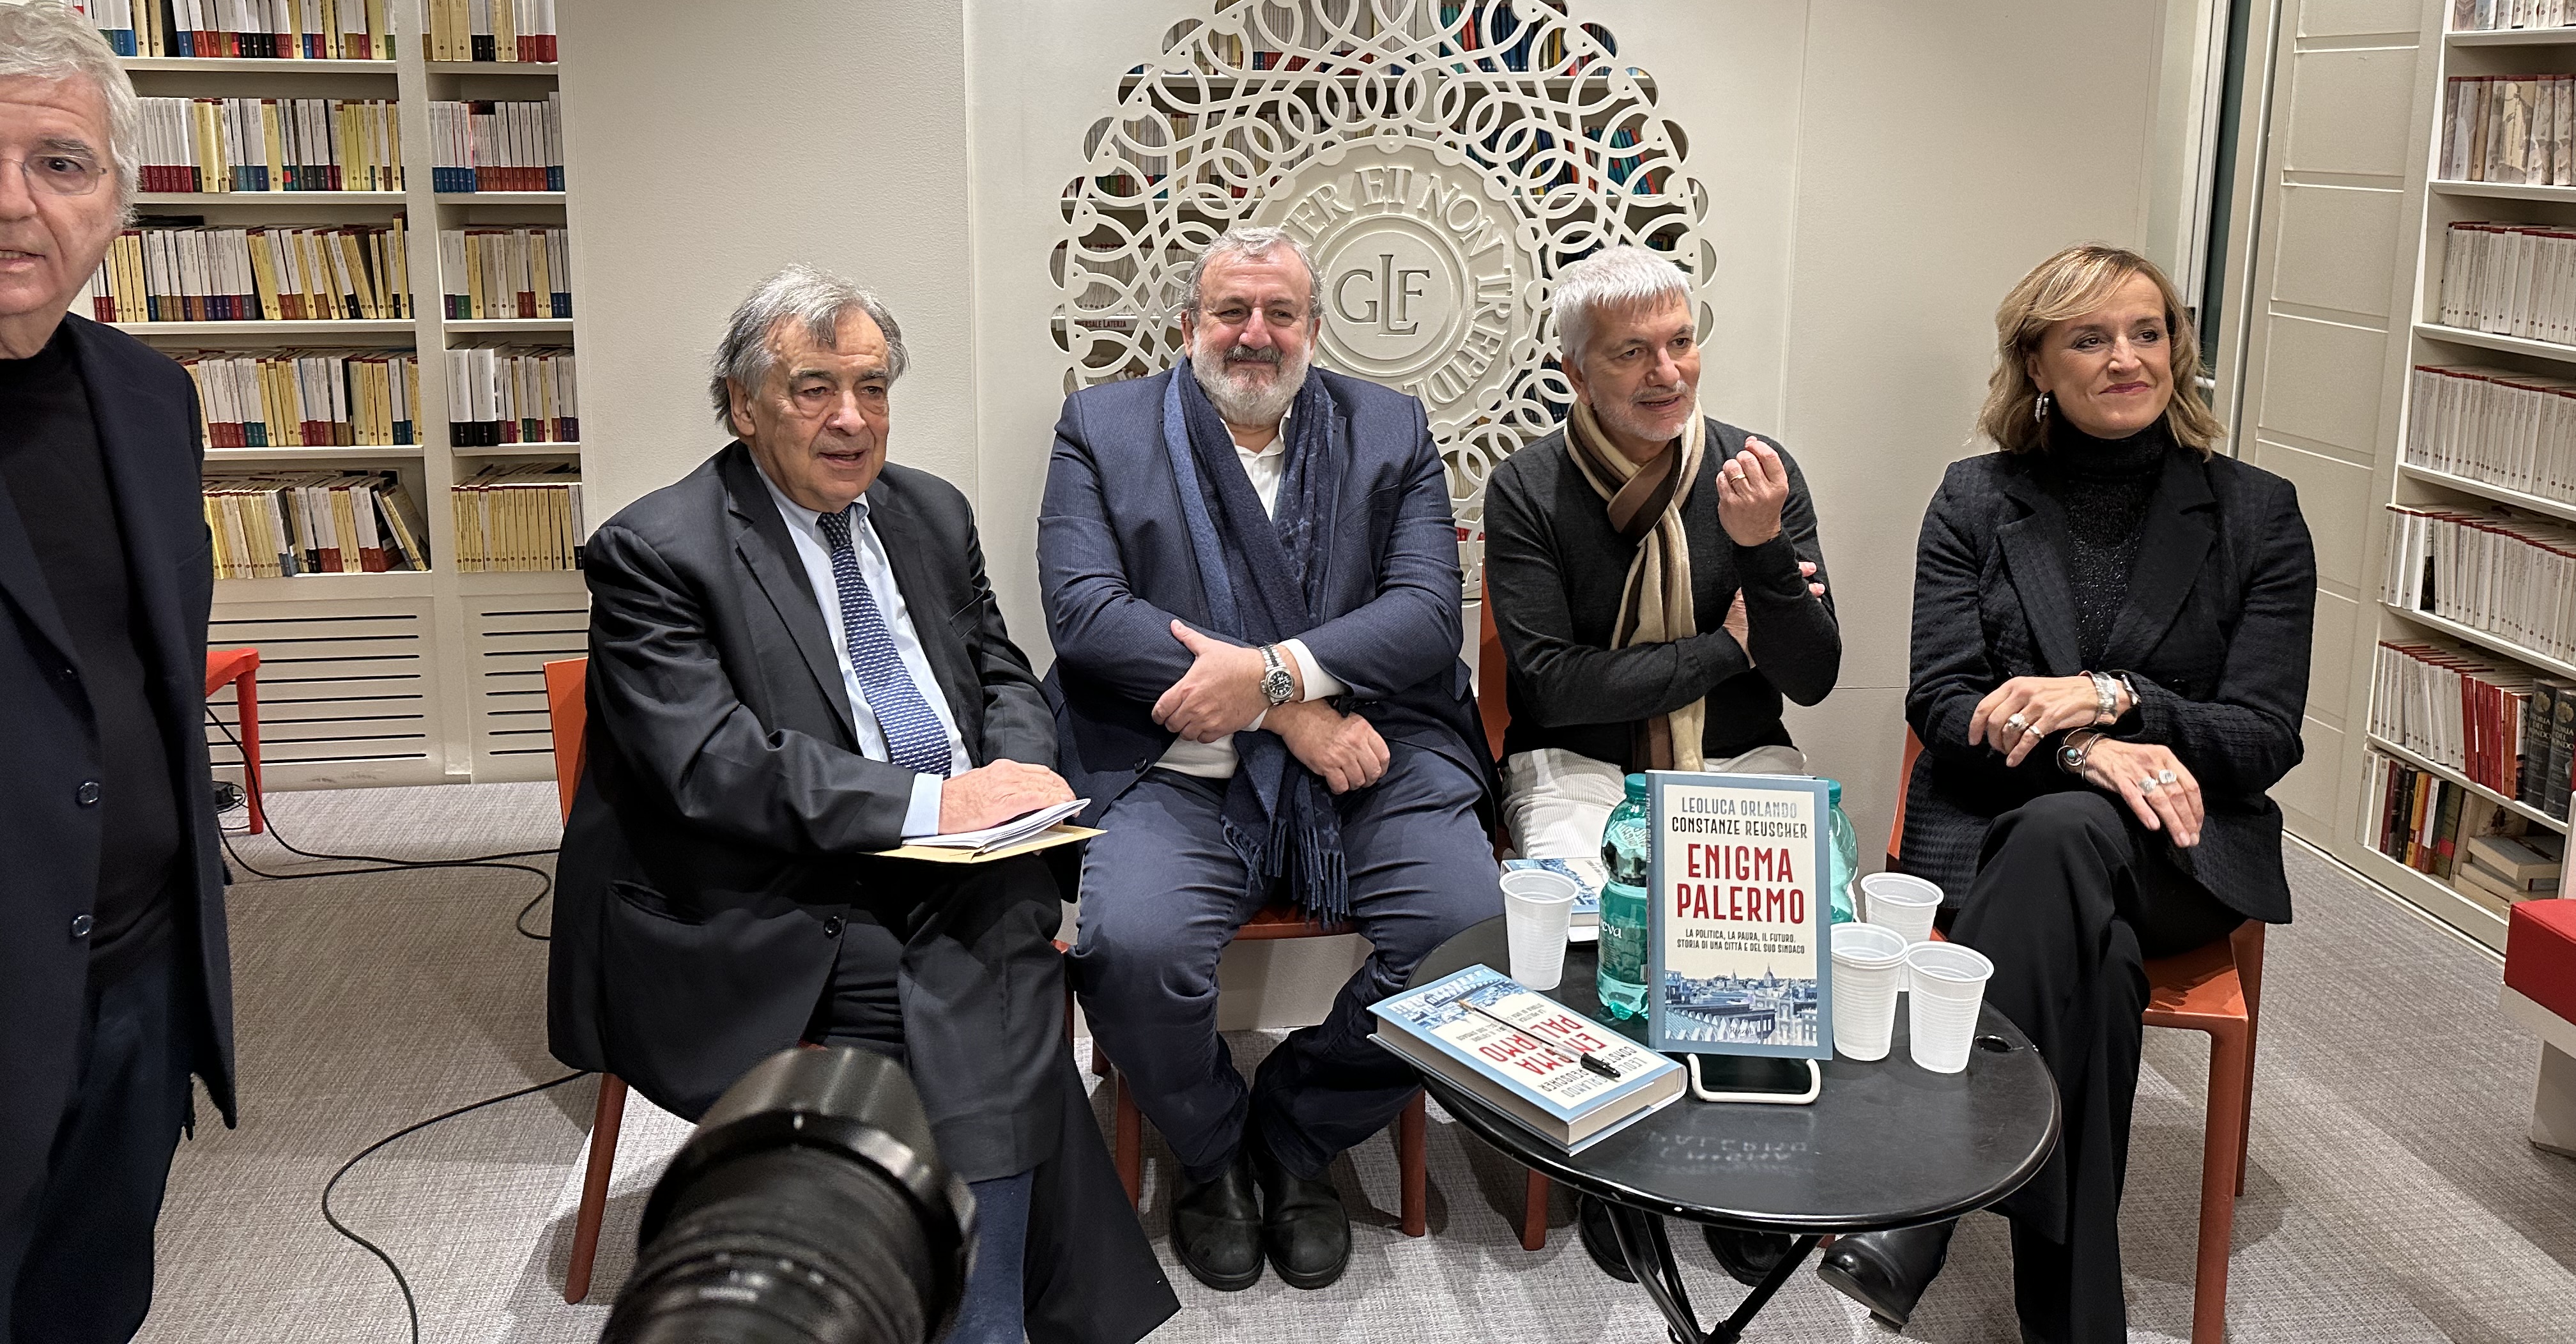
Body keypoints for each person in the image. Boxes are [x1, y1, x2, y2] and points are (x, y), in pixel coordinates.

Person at [547, 265, 1174, 1344]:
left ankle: (977, 1316)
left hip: (959, 860)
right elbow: (714, 766)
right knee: (993, 978)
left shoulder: (929, 511)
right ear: (743, 404)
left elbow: (1000, 672)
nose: (852, 418)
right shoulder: (657, 551)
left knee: (1001, 940)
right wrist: (940, 803)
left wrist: (1014, 790)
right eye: (814, 388)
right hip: (771, 899)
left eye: (874, 387)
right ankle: (994, 1322)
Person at [1815, 243, 2313, 1344]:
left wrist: (2116, 700)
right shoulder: (1977, 500)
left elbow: (2263, 736)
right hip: (2004, 841)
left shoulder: (2256, 515)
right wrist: (2087, 756)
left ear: (2179, 352)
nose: (2127, 358)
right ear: (2036, 362)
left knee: (2071, 839)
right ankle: (2078, 1325)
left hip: (2183, 852)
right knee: (2092, 939)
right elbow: (1944, 705)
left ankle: (1921, 1203)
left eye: (2149, 332)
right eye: (2089, 338)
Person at [1041, 226, 1502, 1294]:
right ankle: (1210, 1152)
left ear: (1314, 328)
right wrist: (1288, 714)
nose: (1255, 335)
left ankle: (1294, 1133)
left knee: (1466, 940)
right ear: (1187, 325)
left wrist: (1273, 677)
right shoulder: (1101, 428)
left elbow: (1427, 617)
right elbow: (1086, 613)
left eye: (1279, 314)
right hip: (1179, 758)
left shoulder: (1390, 429)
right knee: (1130, 950)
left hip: (1373, 756)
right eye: (1231, 313)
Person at [1482, 244, 1839, 1286]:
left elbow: (1813, 675)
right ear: (1574, 374)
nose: (1665, 372)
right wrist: (1729, 648)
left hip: (1736, 751)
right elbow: (1554, 687)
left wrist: (1765, 552)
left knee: (1785, 909)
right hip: (1578, 761)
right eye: (1631, 352)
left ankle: (1748, 1161)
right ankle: (1618, 1167)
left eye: (1681, 342)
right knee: (1600, 921)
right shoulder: (1529, 488)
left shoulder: (1755, 471)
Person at [0, 2, 234, 1344]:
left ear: (118, 205)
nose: (13, 205)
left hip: (138, 986)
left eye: (60, 163)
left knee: (92, 1309)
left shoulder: (150, 399)